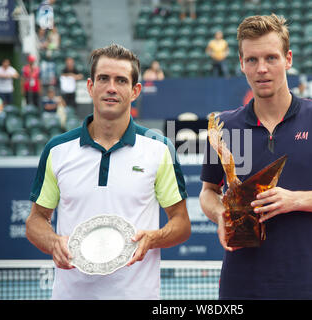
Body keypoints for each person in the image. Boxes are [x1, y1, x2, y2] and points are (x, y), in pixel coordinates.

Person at [199, 14, 312, 300]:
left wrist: (295, 200)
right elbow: (208, 192)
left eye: (271, 58)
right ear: (242, 64)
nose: (262, 69)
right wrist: (220, 214)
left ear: (288, 59)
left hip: (308, 285)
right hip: (240, 287)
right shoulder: (223, 126)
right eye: (252, 60)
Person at [25, 43, 191, 300]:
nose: (111, 88)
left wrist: (154, 238)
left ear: (135, 91)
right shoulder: (57, 150)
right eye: (103, 78)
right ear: (90, 86)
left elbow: (181, 223)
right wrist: (53, 242)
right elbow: (36, 220)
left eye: (121, 80)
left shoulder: (159, 149)